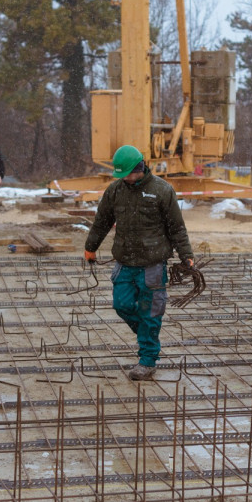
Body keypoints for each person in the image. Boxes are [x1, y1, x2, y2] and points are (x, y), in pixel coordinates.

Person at [84, 145, 194, 381]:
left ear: (140, 168)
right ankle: (148, 337)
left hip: (153, 264)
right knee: (121, 305)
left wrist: (186, 255)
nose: (125, 179)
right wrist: (90, 247)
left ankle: (147, 359)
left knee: (151, 313)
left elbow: (177, 227)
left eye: (128, 174)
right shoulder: (115, 190)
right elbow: (102, 221)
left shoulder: (162, 190)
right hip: (124, 262)